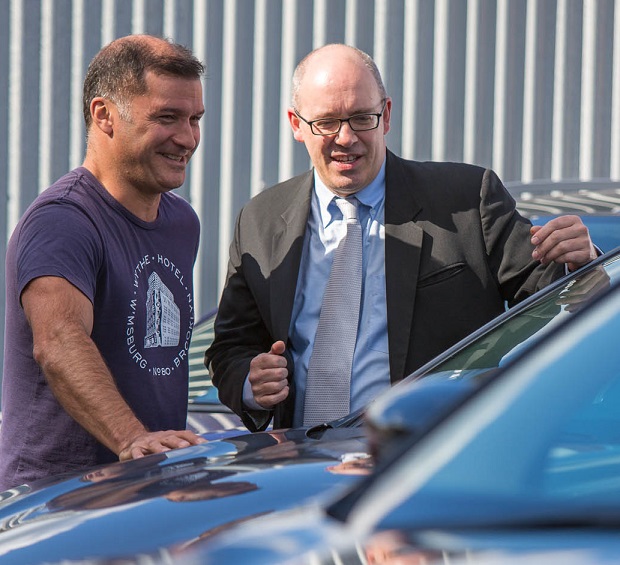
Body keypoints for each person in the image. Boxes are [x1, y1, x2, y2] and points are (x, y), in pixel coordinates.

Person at [204, 43, 598, 432]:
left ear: (386, 115)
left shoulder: (464, 200)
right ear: (296, 124)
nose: (346, 138)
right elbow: (230, 348)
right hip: (301, 464)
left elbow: (555, 300)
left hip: (426, 458)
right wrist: (251, 383)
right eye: (326, 122)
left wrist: (582, 262)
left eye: (362, 118)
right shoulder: (261, 219)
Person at [0, 34, 207, 490]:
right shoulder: (63, 221)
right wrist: (133, 438)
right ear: (104, 116)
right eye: (167, 118)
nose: (187, 138)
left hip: (146, 490)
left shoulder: (181, 222)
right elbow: (58, 340)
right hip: (56, 505)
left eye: (194, 119)